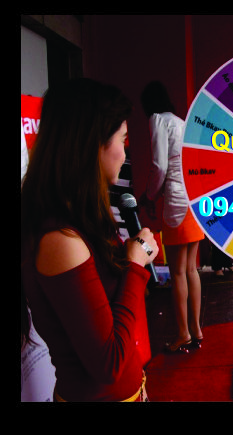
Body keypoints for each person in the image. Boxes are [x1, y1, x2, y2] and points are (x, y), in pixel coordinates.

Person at [21, 78, 159, 401]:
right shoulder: (60, 239)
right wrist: (135, 264)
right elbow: (108, 363)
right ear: (92, 143)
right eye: (122, 140)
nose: (125, 153)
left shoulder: (79, 217)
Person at [140, 81, 205, 353]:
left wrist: (149, 195)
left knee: (177, 271)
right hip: (193, 198)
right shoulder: (181, 121)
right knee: (191, 269)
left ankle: (182, 334)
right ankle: (196, 330)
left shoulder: (158, 120)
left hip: (176, 201)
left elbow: (159, 166)